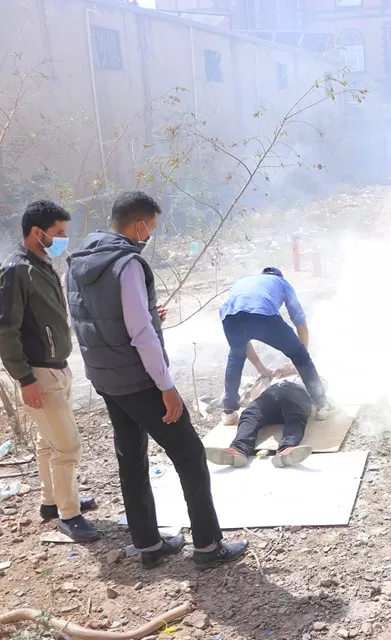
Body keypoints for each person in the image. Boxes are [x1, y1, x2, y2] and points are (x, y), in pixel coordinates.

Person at [66, 191, 247, 570]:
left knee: (130, 457)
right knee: (189, 454)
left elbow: (94, 319)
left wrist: (149, 314)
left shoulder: (80, 260)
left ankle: (147, 544)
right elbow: (141, 335)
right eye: (151, 228)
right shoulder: (127, 263)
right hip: (140, 380)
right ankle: (208, 547)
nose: (150, 236)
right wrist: (167, 387)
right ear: (140, 225)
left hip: (105, 378)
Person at [0, 201, 100, 542]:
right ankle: (69, 515)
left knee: (48, 442)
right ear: (36, 232)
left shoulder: (41, 264)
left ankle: (51, 501)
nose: (63, 239)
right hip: (39, 375)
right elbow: (5, 329)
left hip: (57, 368)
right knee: (68, 447)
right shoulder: (17, 270)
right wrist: (24, 378)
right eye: (58, 233)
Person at [218, 267, 327, 426]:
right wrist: (299, 357)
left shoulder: (244, 282)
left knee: (235, 357)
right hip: (263, 316)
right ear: (279, 276)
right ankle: (321, 405)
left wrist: (262, 369)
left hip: (230, 317)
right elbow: (300, 323)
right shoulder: (282, 283)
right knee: (301, 356)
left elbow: (244, 345)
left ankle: (229, 412)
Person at [206, 381, 313, 469]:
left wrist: (290, 369)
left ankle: (287, 449)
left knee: (295, 414)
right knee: (251, 413)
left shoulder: (306, 373)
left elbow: (317, 387)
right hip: (270, 394)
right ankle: (238, 449)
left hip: (296, 393)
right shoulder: (273, 376)